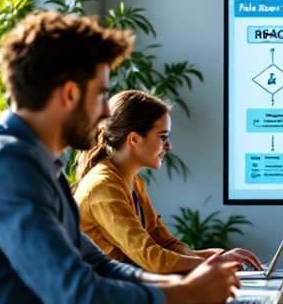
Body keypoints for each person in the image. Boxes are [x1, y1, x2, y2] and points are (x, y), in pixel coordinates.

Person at [0, 12, 240, 304]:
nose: (107, 111)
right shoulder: (5, 168)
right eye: (102, 95)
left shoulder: (42, 168)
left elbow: (101, 267)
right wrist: (187, 294)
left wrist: (187, 287)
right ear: (70, 94)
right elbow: (80, 301)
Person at [73, 90, 262, 274]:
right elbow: (153, 259)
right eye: (163, 137)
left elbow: (167, 244)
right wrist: (215, 264)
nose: (168, 146)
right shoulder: (103, 187)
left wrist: (220, 257)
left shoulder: (134, 182)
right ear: (134, 139)